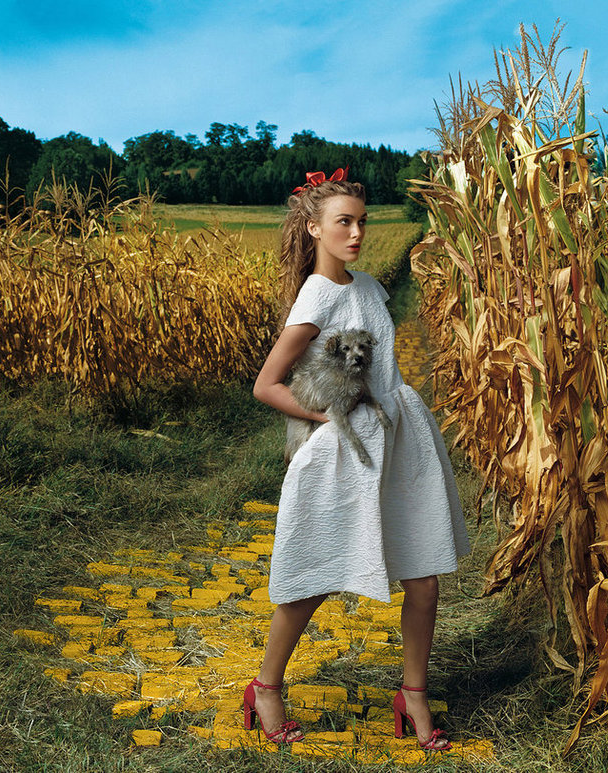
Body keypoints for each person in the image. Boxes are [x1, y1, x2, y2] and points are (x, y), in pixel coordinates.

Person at [247, 169, 470, 750]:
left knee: (423, 578)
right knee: (317, 575)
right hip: (350, 451)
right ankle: (266, 687)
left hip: (401, 438)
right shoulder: (318, 295)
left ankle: (412, 696)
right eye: (343, 222)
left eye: (362, 221)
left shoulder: (368, 286)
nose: (356, 232)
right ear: (314, 227)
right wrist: (327, 420)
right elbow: (267, 385)